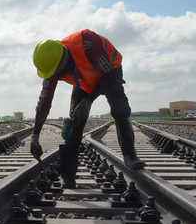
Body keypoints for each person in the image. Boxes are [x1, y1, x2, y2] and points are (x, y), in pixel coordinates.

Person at [29, 29, 145, 188]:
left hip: (110, 71)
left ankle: (130, 156)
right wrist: (35, 135)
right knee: (76, 121)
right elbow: (44, 101)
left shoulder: (88, 43)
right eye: (54, 74)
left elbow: (106, 76)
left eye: (58, 72)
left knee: (120, 110)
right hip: (84, 79)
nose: (57, 76)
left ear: (64, 60)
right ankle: (68, 176)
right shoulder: (52, 67)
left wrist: (88, 100)